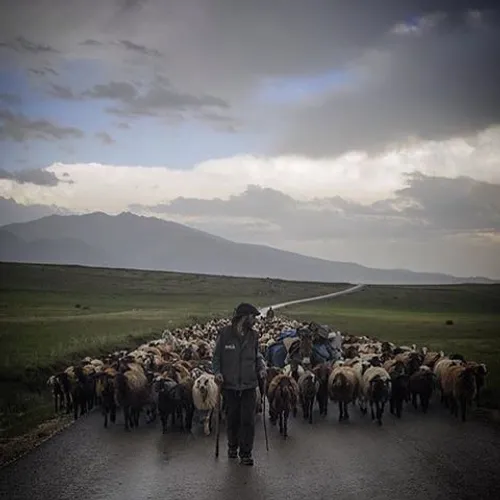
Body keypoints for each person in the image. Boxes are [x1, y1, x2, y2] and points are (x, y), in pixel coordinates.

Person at [212, 302, 267, 466]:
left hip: (249, 384)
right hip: (230, 385)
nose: (255, 320)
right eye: (253, 317)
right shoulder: (225, 334)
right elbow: (216, 357)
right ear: (244, 317)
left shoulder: (254, 336)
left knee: (248, 420)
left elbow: (257, 356)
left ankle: (246, 453)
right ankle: (232, 446)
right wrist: (217, 373)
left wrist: (262, 368)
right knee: (232, 418)